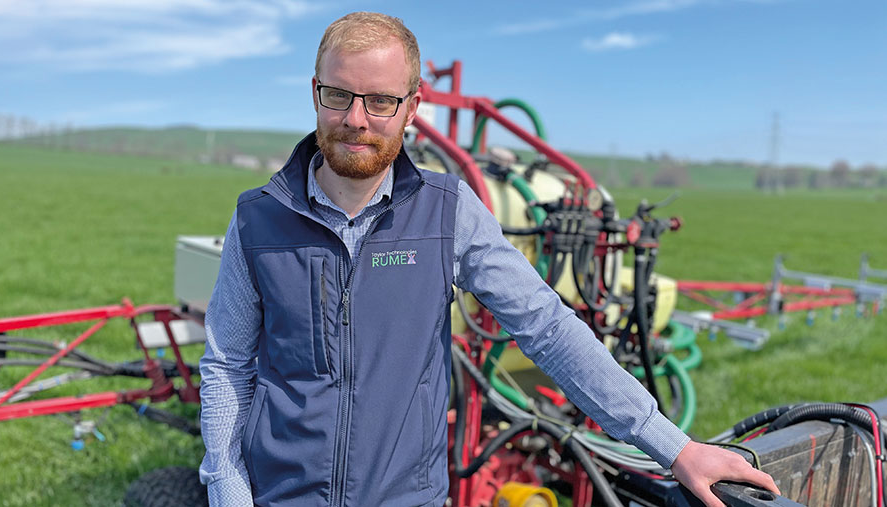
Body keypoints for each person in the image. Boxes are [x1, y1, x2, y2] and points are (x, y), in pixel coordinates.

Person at [199, 11, 780, 507]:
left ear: (411, 107)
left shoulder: (448, 212)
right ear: (315, 93)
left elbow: (548, 329)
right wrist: (227, 487)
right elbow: (227, 365)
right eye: (339, 95)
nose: (356, 118)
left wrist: (674, 447)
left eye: (380, 101)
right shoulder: (258, 219)